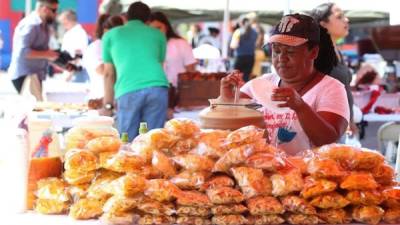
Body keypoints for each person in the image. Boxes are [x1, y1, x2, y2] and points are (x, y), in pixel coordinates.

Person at [220, 14, 349, 155]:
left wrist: (301, 107)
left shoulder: (331, 89)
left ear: (313, 52)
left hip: (309, 174)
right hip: (263, 172)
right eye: (276, 51)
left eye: (290, 51)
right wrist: (226, 97)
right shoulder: (260, 85)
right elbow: (229, 129)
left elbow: (328, 140)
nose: (281, 58)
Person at [100, 1, 169, 141]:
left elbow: (108, 73)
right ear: (148, 19)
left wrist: (107, 105)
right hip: (157, 87)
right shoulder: (158, 35)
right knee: (153, 141)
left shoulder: (110, 35)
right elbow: (160, 65)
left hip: (128, 88)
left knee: (127, 141)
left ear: (126, 16)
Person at [310, 3, 357, 137]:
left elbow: (344, 89)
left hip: (339, 128)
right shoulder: (316, 54)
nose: (346, 20)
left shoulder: (336, 51)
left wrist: (350, 120)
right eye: (339, 17)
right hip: (325, 130)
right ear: (323, 24)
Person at [8, 0, 60, 101]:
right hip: (26, 76)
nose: (56, 14)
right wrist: (47, 54)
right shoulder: (31, 24)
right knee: (35, 110)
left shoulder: (43, 25)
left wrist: (59, 61)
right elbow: (23, 52)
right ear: (44, 9)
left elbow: (42, 52)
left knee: (37, 109)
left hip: (34, 75)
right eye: (54, 10)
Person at [148, 12, 197, 118]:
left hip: (178, 93)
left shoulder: (180, 43)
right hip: (154, 93)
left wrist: (188, 97)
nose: (156, 32)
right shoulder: (146, 46)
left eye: (159, 28)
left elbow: (191, 71)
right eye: (152, 29)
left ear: (166, 27)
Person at [82, 14, 124, 100]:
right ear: (105, 30)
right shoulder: (96, 46)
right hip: (100, 99)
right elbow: (103, 70)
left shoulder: (117, 45)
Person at [58, 10, 89, 82]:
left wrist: (69, 74)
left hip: (75, 73)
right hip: (71, 72)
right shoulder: (71, 33)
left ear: (69, 20)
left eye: (63, 21)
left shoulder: (78, 33)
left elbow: (78, 55)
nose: (62, 24)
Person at [230, 17, 258, 82]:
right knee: (246, 77)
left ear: (241, 23)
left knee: (236, 77)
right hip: (251, 57)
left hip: (240, 57)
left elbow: (233, 45)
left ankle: (236, 91)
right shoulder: (255, 32)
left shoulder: (238, 32)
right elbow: (256, 44)